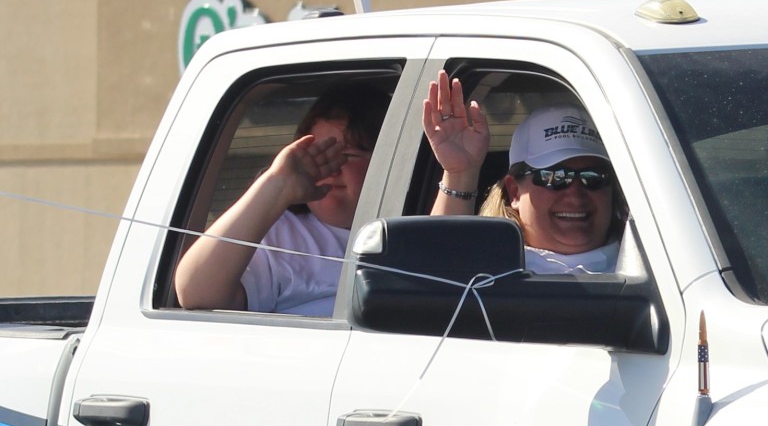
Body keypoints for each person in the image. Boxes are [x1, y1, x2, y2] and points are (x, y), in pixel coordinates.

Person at [175, 82, 390, 316]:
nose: (329, 169)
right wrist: (278, 184)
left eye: (347, 155)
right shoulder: (277, 235)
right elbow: (197, 294)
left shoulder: (407, 223)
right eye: (314, 155)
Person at [423, 70, 623, 274]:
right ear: (514, 192)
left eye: (594, 177)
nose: (576, 193)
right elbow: (435, 284)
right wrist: (460, 174)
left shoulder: (653, 261)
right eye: (555, 177)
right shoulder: (485, 273)